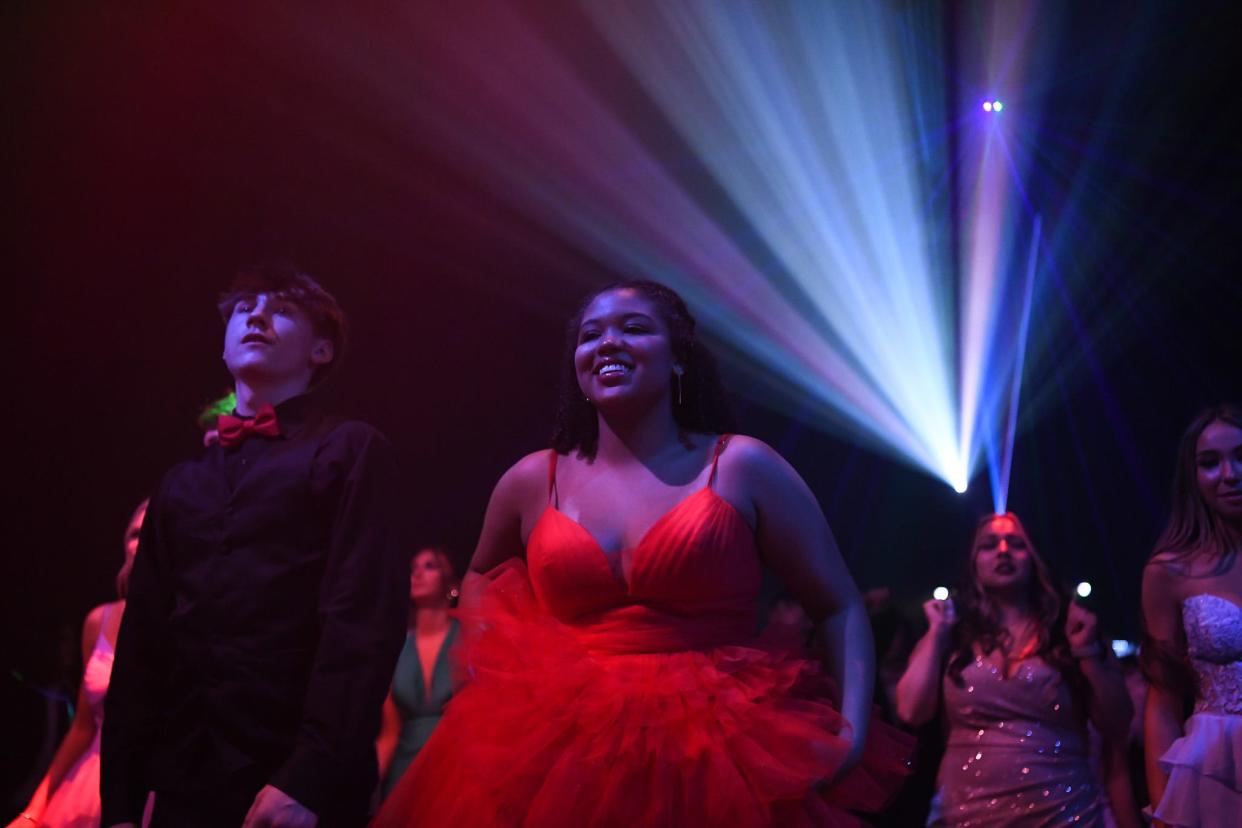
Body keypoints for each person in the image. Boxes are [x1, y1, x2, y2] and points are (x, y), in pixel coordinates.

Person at [375, 280, 911, 827]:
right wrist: (490, 678)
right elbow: (483, 576)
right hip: (559, 749)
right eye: (590, 335)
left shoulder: (742, 466)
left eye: (633, 328)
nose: (607, 342)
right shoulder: (535, 479)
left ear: (679, 358)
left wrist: (851, 732)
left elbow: (838, 603)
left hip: (718, 745)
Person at [100, 262, 408, 828]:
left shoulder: (350, 451)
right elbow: (143, 644)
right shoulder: (179, 483)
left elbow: (361, 624)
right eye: (245, 309)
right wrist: (119, 803)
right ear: (223, 346)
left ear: (321, 351)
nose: (258, 315)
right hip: (184, 783)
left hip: (295, 784)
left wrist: (309, 780)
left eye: (282, 309)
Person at [895, 512, 1137, 826]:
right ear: (973, 562)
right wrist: (936, 633)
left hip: (1064, 813)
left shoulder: (1069, 630)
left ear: (1035, 557)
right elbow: (911, 711)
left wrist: (1086, 651)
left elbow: (1118, 724)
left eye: (1017, 543)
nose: (1004, 551)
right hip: (967, 814)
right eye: (989, 545)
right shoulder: (952, 633)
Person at [8, 501, 148, 828]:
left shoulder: (187, 622)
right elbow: (83, 727)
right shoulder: (99, 620)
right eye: (135, 533)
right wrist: (34, 810)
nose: (140, 543)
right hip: (85, 787)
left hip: (147, 790)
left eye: (151, 533)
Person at [1141, 404, 1242, 826]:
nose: (1231, 473)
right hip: (1215, 774)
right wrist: (1164, 807)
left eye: (1241, 456)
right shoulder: (1169, 571)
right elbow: (1162, 701)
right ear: (1192, 477)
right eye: (1210, 463)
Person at [375, 547, 461, 800]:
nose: (417, 573)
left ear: (450, 582)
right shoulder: (397, 648)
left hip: (455, 771)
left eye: (430, 566)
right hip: (403, 777)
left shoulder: (468, 638)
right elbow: (390, 733)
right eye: (413, 568)